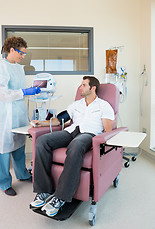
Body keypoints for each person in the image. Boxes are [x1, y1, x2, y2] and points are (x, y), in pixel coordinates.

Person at [29, 76, 114, 216]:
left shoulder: (104, 106)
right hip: (71, 131)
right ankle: (43, 190)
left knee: (76, 145)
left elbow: (108, 130)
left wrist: (99, 143)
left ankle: (61, 197)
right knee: (42, 141)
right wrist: (41, 123)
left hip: (89, 134)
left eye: (84, 85)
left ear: (93, 88)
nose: (80, 87)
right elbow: (60, 119)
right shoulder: (77, 104)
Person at [0, 36, 41, 196]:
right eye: (21, 53)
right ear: (11, 50)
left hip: (18, 111)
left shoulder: (19, 68)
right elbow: (0, 93)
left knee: (19, 145)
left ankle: (23, 174)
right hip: (4, 113)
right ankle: (4, 183)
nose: (23, 56)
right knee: (4, 149)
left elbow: (18, 89)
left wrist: (30, 91)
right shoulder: (0, 67)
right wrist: (23, 92)